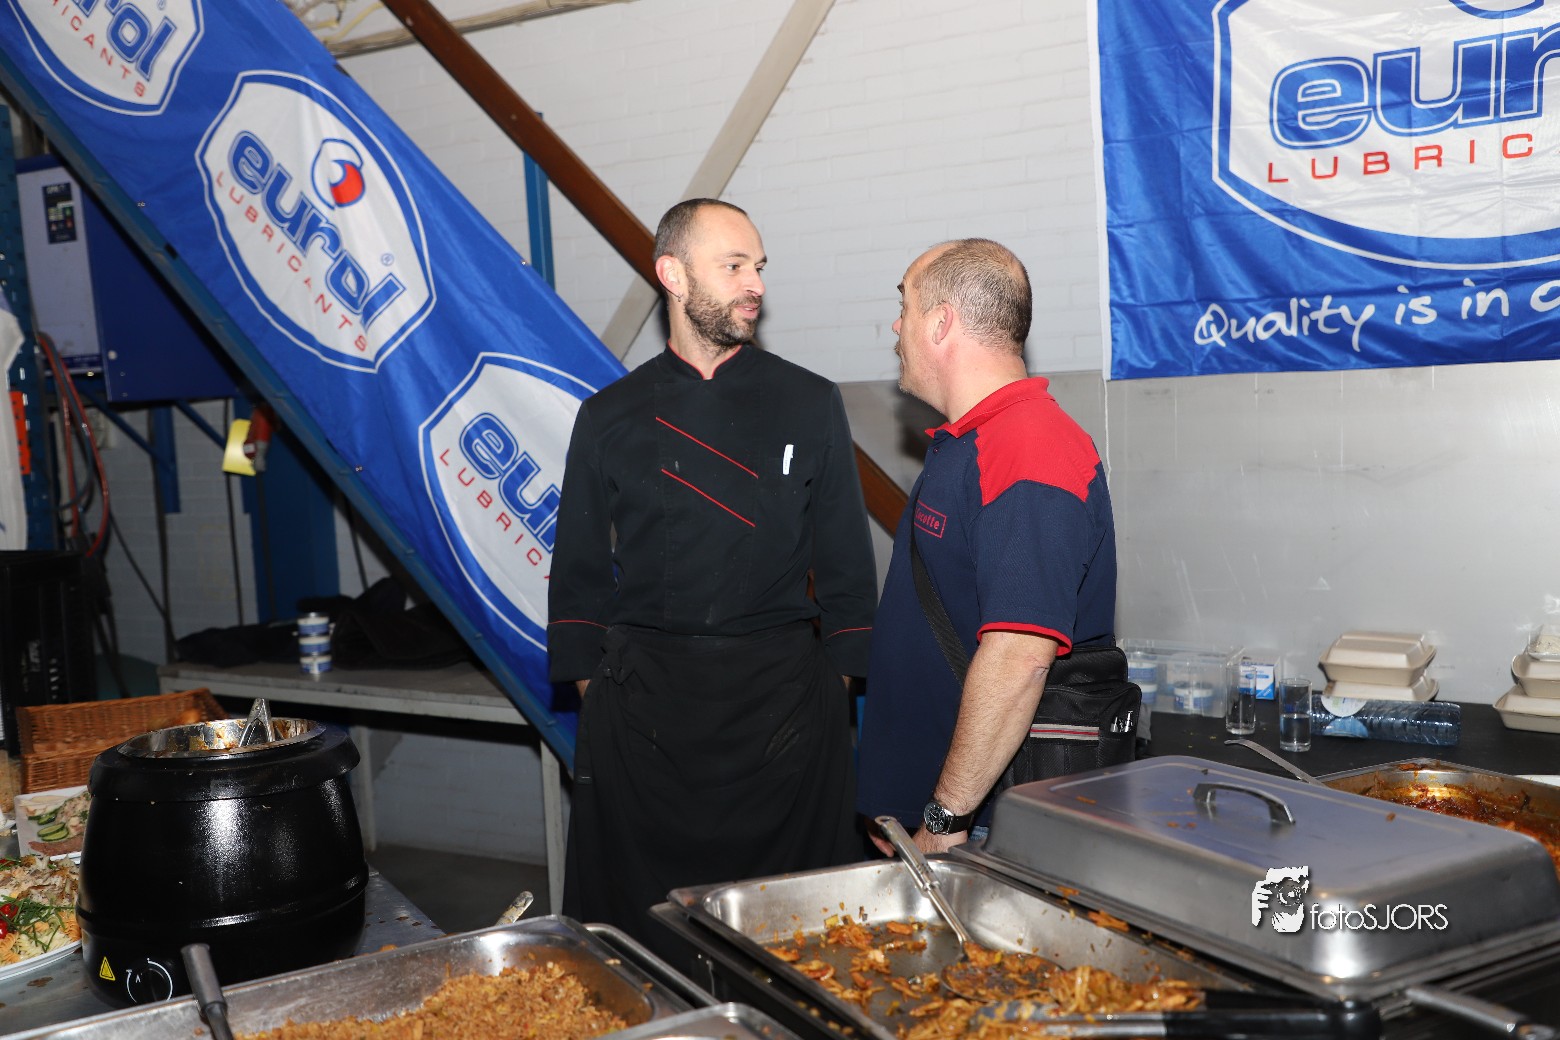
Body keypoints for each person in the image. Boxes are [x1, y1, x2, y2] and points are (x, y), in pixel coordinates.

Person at [547, 198, 877, 947]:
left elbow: (849, 571)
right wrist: (610, 703)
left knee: (798, 939)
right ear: (673, 274)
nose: (754, 284)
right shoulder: (609, 415)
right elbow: (578, 579)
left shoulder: (809, 400)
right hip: (648, 722)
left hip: (784, 715)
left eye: (758, 266)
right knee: (646, 941)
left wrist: (829, 693)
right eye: (734, 266)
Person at [856, 238, 1120, 854]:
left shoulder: (1029, 448)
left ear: (940, 323)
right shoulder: (974, 441)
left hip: (983, 826)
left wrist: (943, 819)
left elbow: (1019, 657)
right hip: (937, 811)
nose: (895, 326)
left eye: (904, 305)